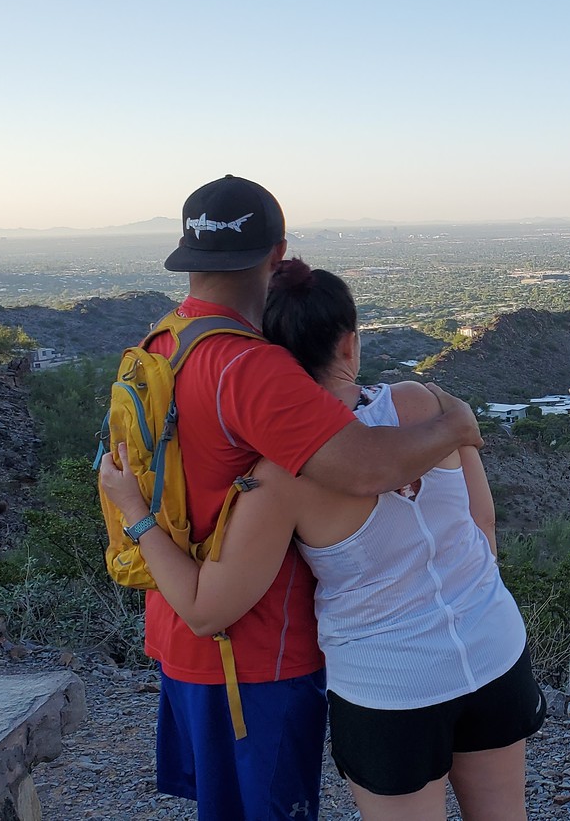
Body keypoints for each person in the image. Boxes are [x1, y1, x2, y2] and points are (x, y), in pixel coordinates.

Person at [102, 258, 543, 821]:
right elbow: (485, 530)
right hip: (493, 646)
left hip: (389, 684)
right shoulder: (427, 405)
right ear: (350, 346)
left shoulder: (280, 479)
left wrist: (136, 514)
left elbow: (204, 609)